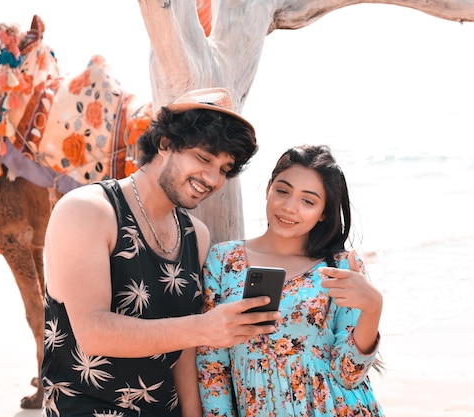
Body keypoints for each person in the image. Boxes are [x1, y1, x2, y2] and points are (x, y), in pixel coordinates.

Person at [40, 87, 281, 417]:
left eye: (225, 169)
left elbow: (183, 351)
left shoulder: (195, 234)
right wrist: (205, 327)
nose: (212, 178)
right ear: (166, 144)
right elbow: (94, 332)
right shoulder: (87, 211)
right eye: (204, 157)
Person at [197, 144, 385, 416]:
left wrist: (373, 308)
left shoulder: (342, 266)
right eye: (282, 191)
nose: (289, 207)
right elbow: (211, 365)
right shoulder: (223, 260)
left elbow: (349, 374)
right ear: (268, 189)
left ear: (323, 212)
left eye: (307, 201)